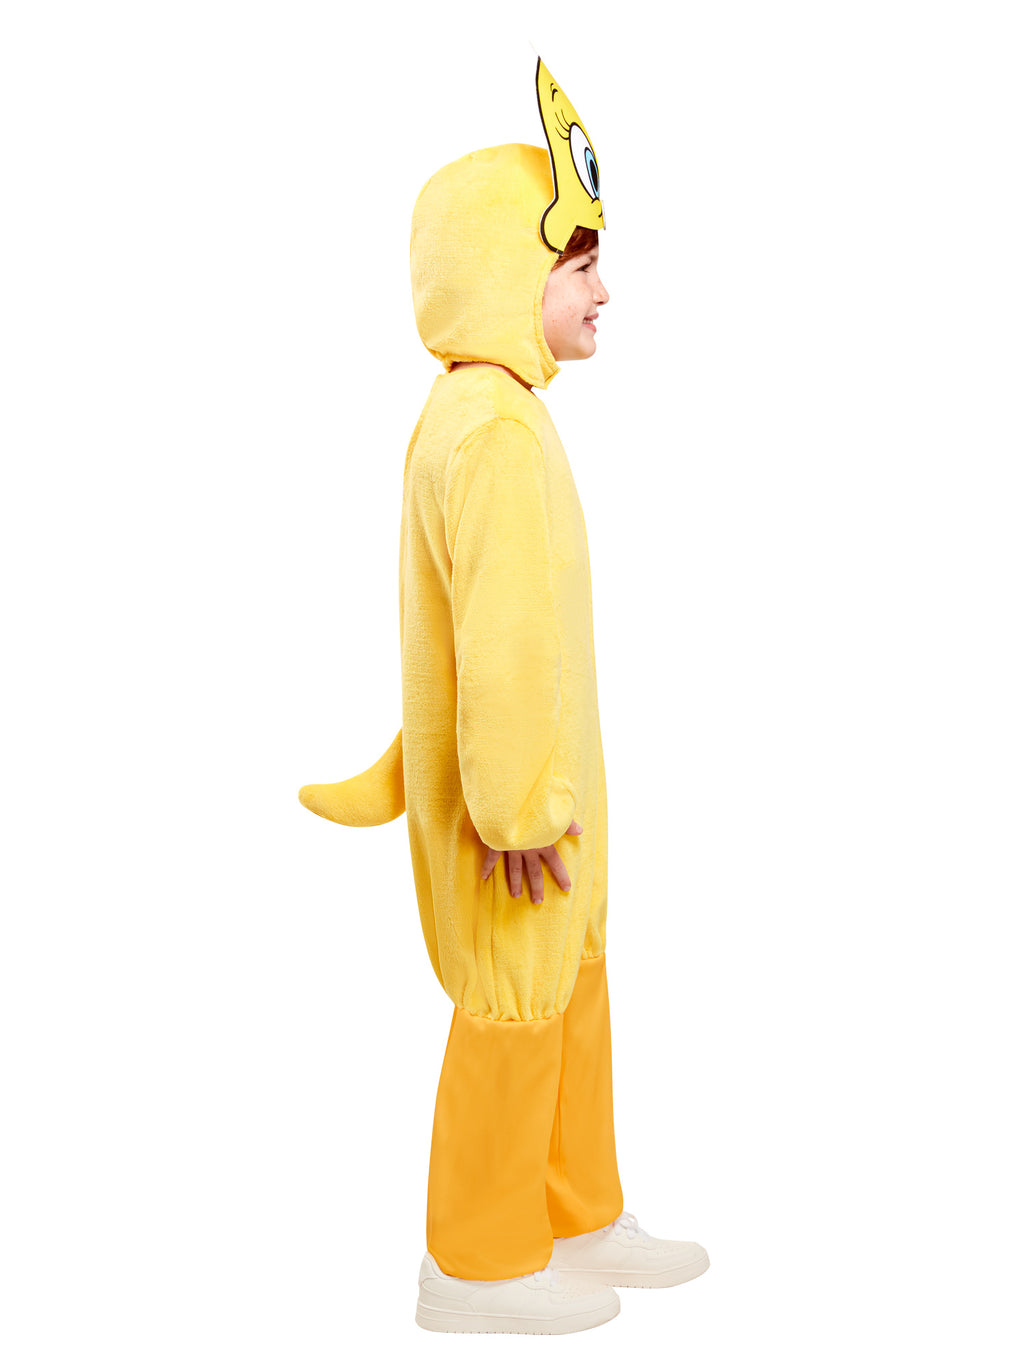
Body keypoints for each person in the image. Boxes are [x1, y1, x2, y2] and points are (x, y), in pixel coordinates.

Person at [300, 65, 708, 1337]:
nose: (603, 289)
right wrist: (515, 808)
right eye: (578, 263)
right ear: (498, 272)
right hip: (517, 817)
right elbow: (496, 642)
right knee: (513, 1004)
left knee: (572, 986)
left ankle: (573, 1216)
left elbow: (464, 639)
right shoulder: (489, 430)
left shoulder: (489, 415)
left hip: (549, 791)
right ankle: (475, 1261)